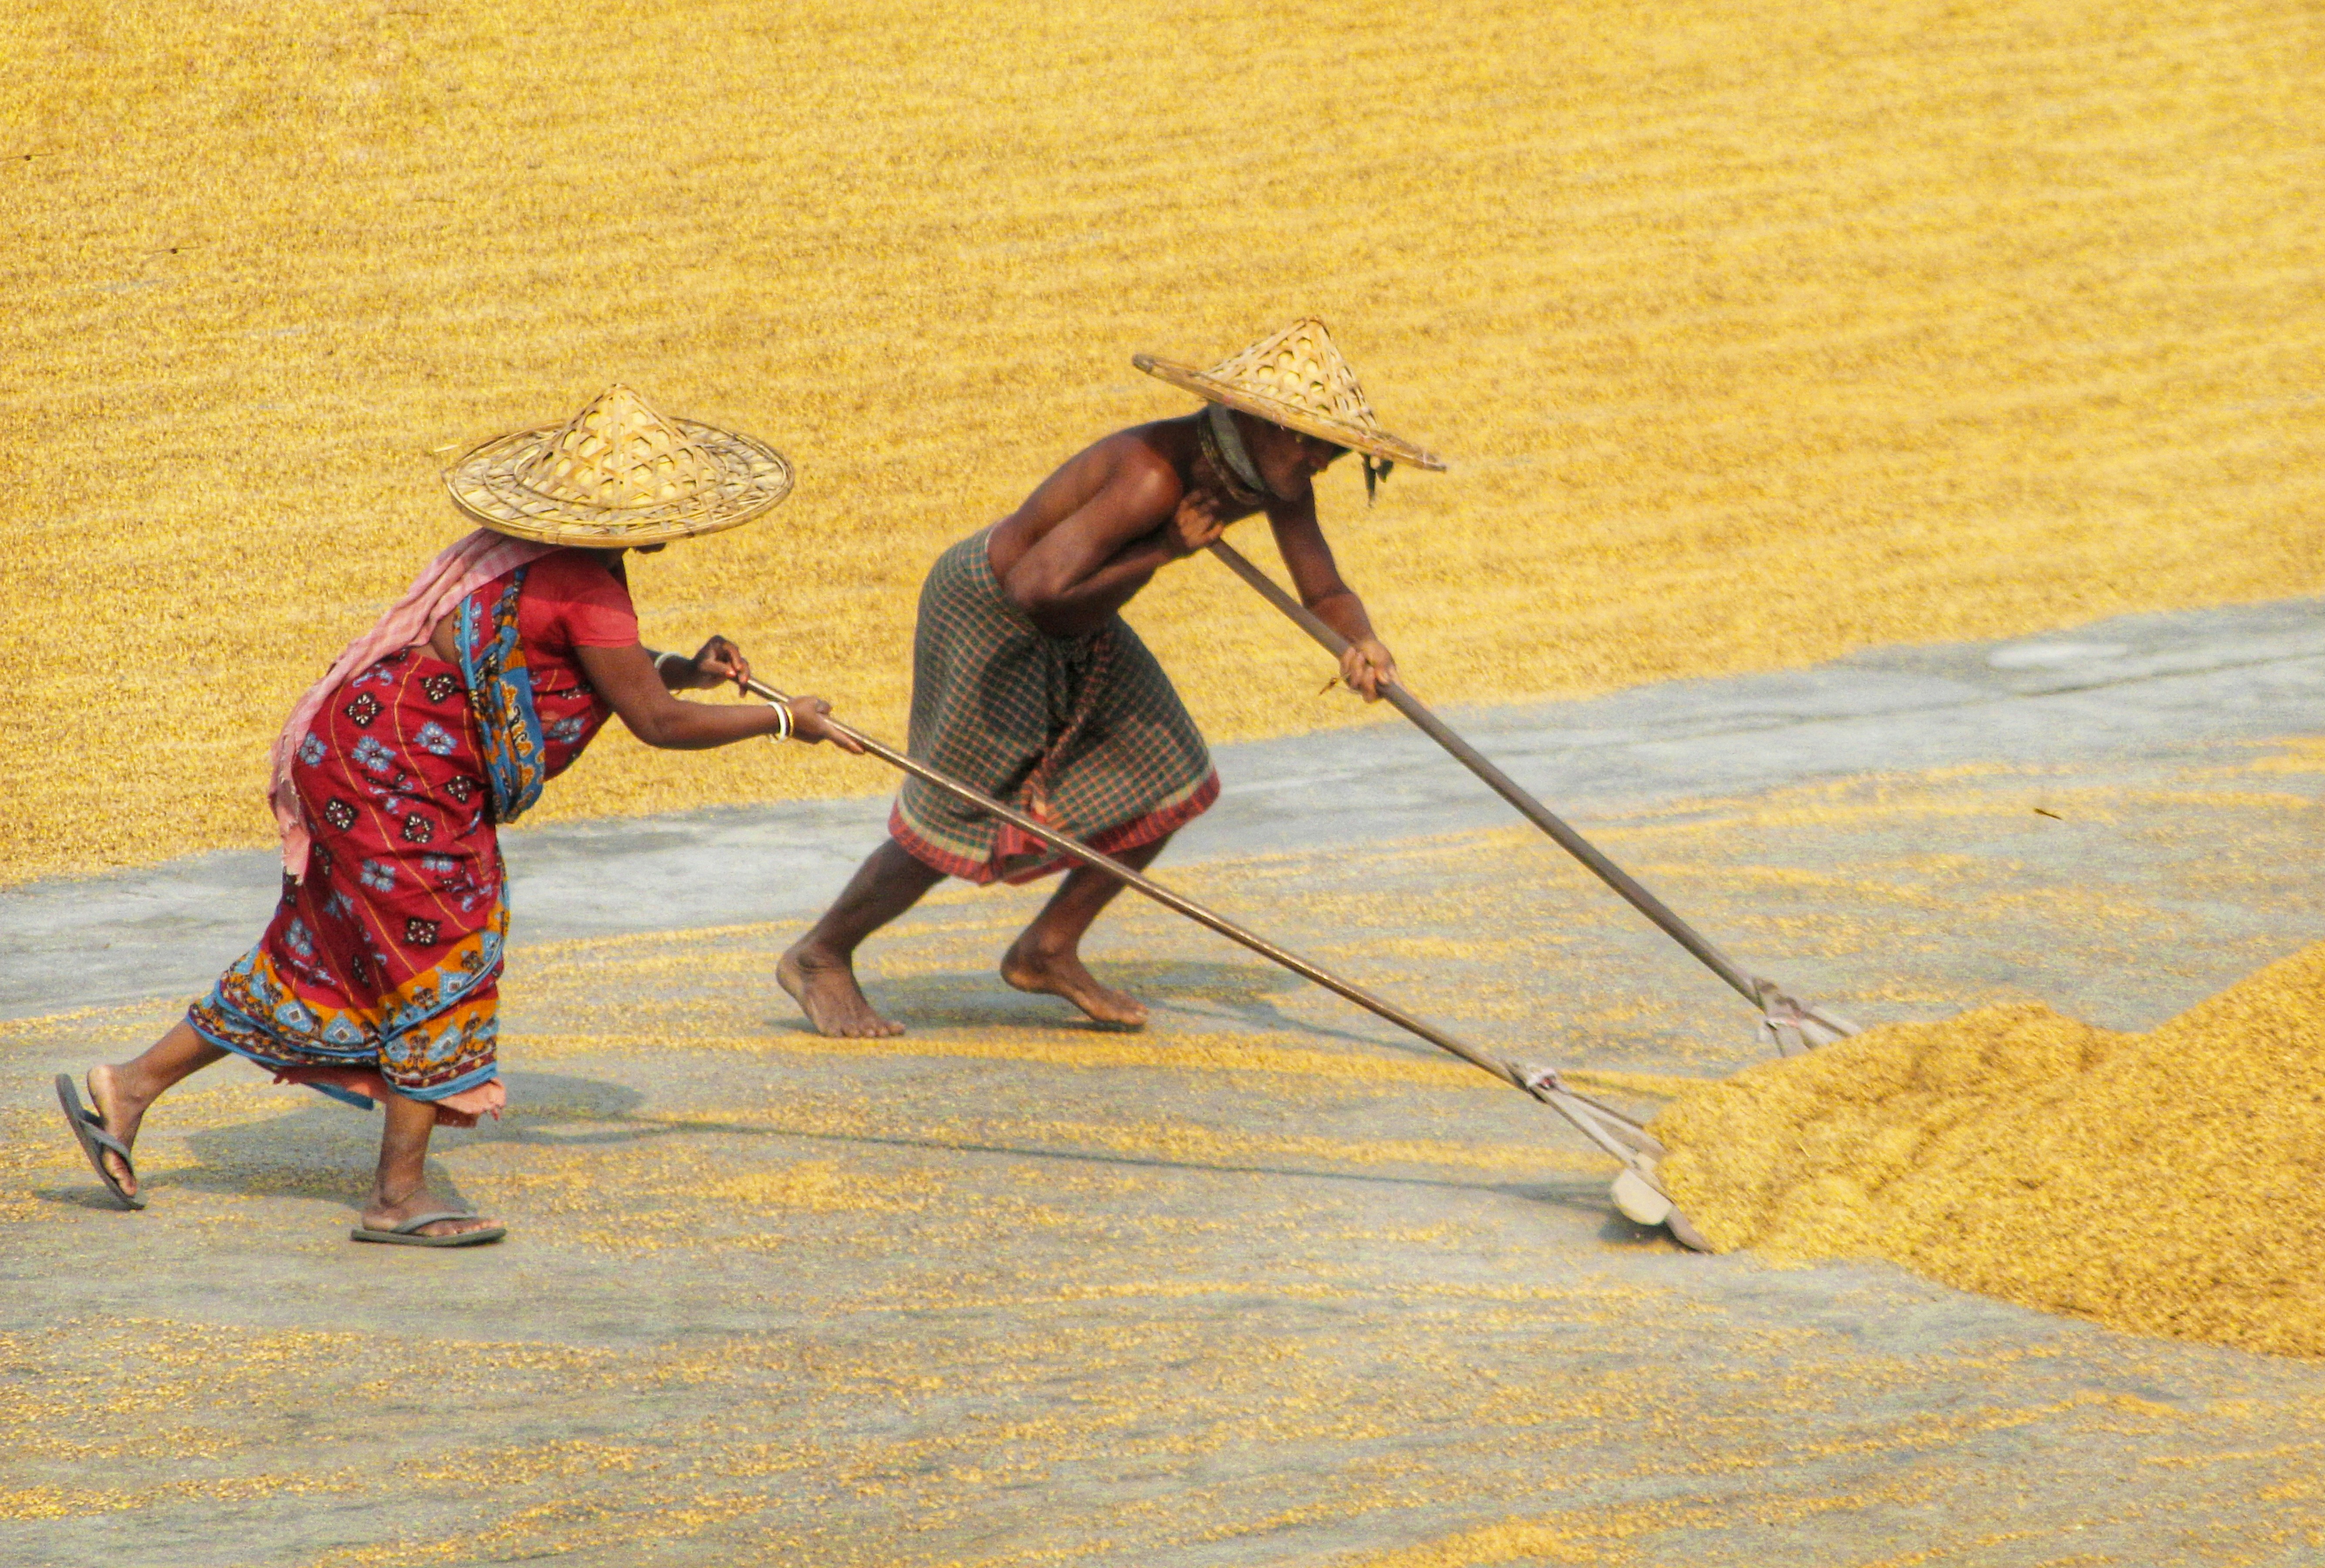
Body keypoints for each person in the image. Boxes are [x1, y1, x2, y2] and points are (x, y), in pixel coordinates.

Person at [56, 386, 857, 1246]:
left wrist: (683, 667)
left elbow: (582, 661)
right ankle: (398, 1197)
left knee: (324, 953)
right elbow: (655, 721)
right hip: (399, 783)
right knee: (449, 949)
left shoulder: (520, 553)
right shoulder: (591, 586)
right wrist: (785, 722)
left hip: (359, 755)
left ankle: (131, 1085)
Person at [778, 318, 1444, 1038]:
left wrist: (1362, 642)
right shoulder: (1153, 475)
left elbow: (1325, 592)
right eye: (1310, 440)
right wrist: (1165, 548)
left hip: (1082, 619)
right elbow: (1035, 590)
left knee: (1172, 770)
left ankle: (1048, 947)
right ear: (1257, 423)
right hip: (992, 614)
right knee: (958, 808)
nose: (1323, 459)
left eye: (1334, 448)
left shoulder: (1276, 477)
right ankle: (821, 955)